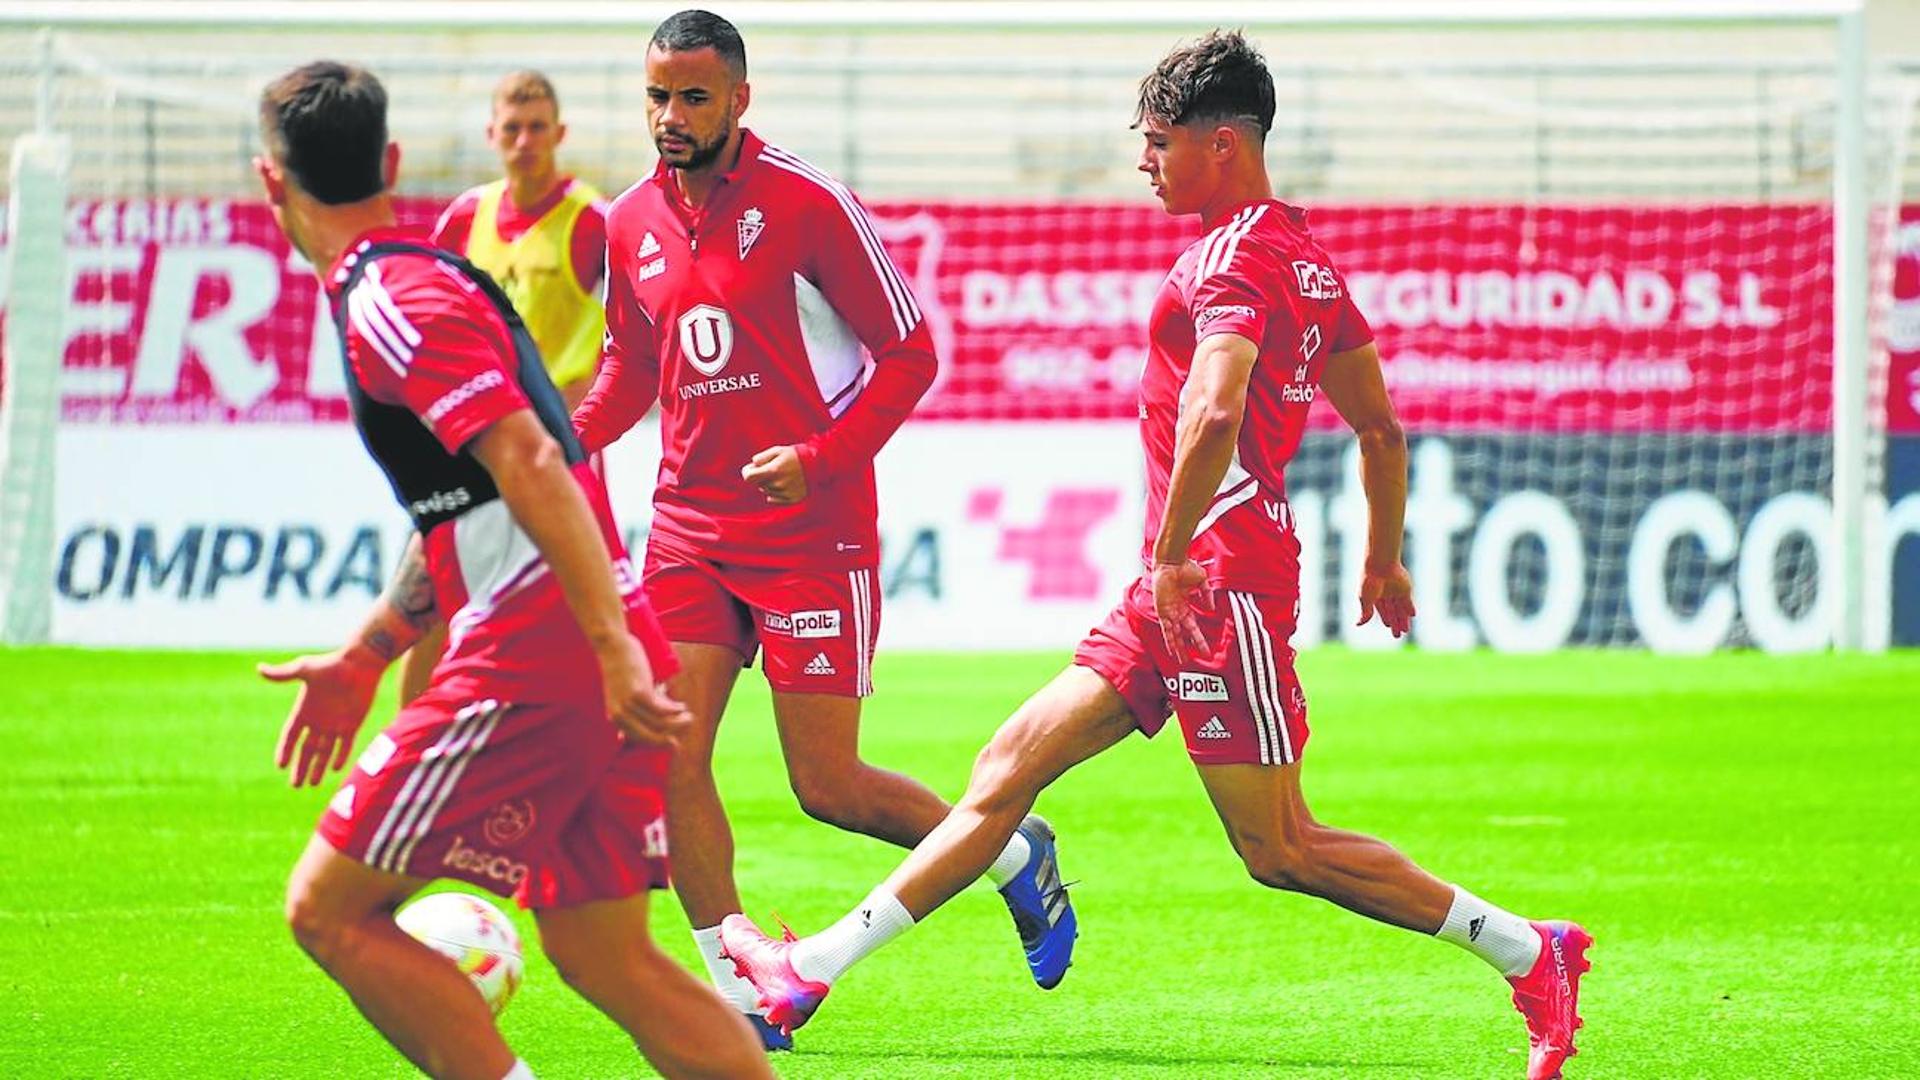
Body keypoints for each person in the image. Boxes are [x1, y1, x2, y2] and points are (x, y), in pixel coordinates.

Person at [720, 30, 1592, 1080]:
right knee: (1004, 773)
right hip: (1177, 585)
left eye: (1158, 141)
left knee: (1281, 849)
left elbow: (1215, 411)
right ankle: (807, 970)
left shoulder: (1228, 263)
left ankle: (1530, 951)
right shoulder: (1307, 261)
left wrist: (1176, 555)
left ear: (1222, 145)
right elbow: (1379, 428)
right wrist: (1384, 561)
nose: (1143, 160)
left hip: (1215, 587)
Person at [251, 60, 771, 1080]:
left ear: (272, 184)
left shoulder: (386, 297)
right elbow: (467, 506)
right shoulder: (429, 276)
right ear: (391, 164)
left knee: (328, 910)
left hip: (544, 649)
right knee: (607, 956)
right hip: (591, 636)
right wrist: (368, 653)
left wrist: (611, 648)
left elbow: (532, 460)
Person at [573, 9, 1076, 1047]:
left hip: (812, 534)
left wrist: (818, 460)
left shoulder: (809, 205)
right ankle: (743, 985)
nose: (671, 117)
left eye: (694, 97)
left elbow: (911, 354)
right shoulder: (627, 223)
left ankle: (1016, 855)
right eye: (657, 97)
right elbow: (631, 363)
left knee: (829, 787)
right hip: (687, 529)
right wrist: (565, 441)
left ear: (740, 99)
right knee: (664, 752)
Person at [400, 70, 610, 706]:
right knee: (431, 595)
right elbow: (428, 316)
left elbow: (632, 329)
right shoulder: (467, 217)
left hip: (560, 445)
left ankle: (595, 752)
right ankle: (408, 739)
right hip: (476, 440)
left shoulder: (592, 220)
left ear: (560, 133)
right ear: (493, 134)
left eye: (537, 127)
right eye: (512, 128)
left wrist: (584, 407)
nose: (525, 141)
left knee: (585, 607)